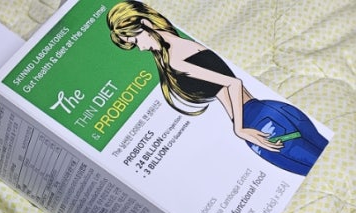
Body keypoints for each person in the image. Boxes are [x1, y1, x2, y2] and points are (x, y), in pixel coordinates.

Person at [107, 1, 327, 175]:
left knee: (319, 171)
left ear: (145, 24)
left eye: (136, 40)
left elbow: (232, 83)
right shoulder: (185, 44)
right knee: (328, 158)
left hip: (259, 124)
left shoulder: (175, 58)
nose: (140, 48)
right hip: (271, 109)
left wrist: (239, 129)